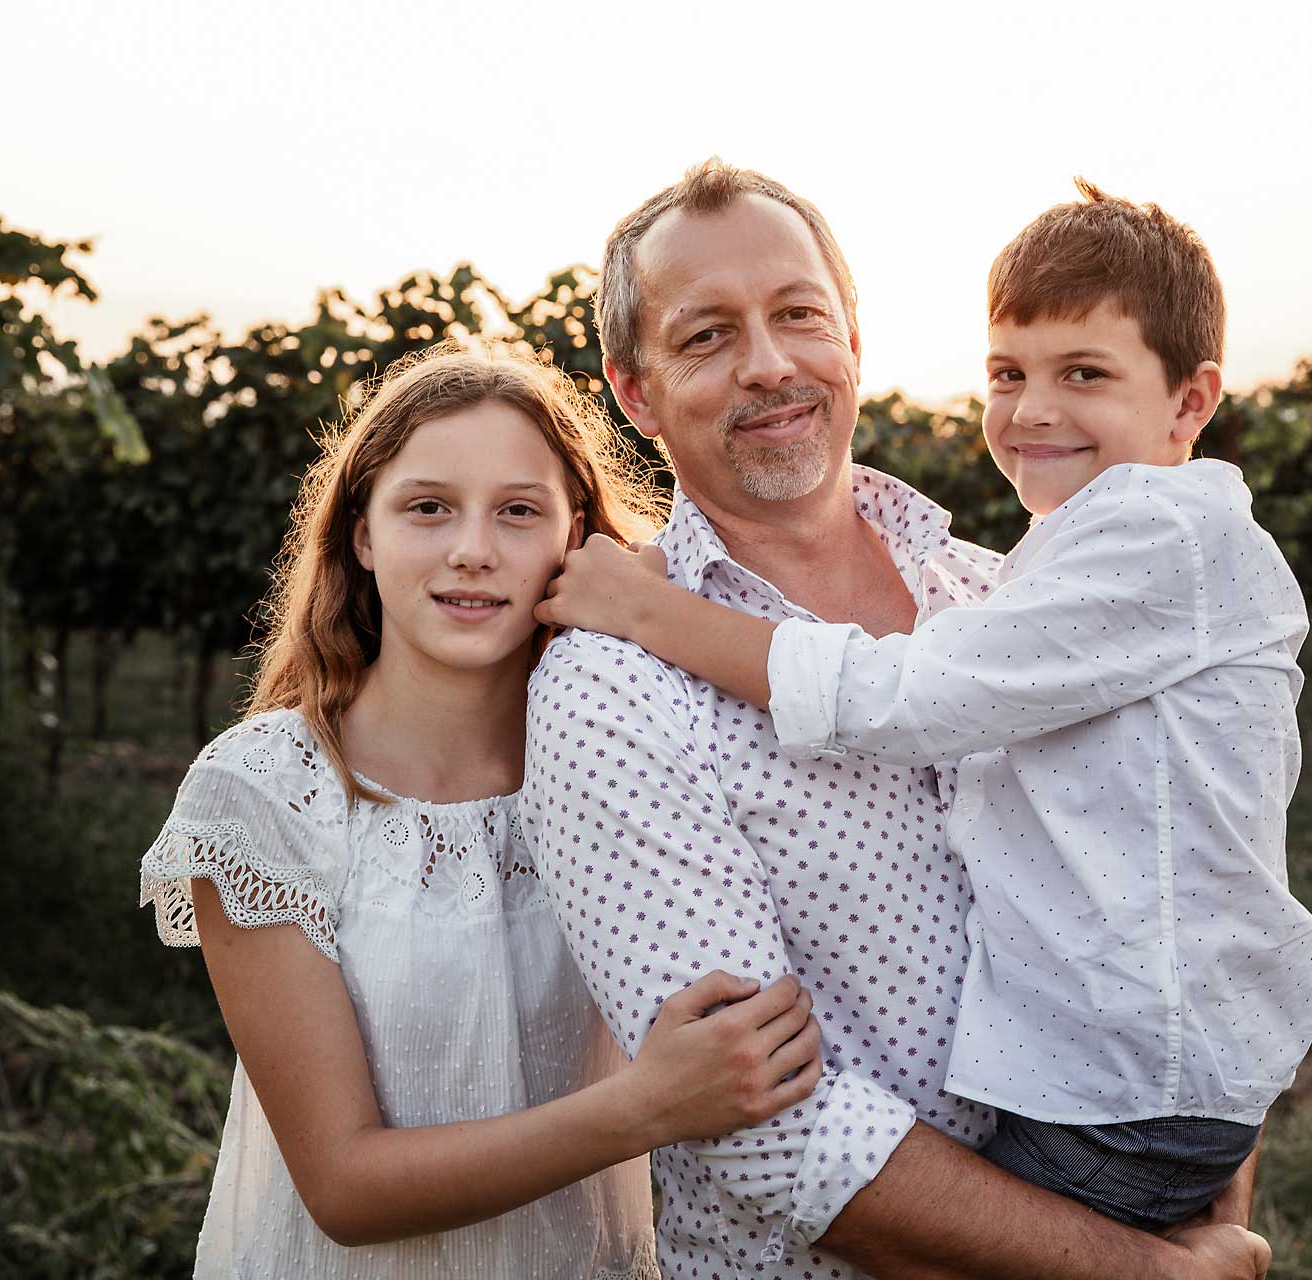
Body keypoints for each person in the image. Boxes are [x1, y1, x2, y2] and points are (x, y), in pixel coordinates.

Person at [520, 159, 1274, 1279]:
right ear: (634, 391)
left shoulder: (997, 593)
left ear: (854, 339)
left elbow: (1188, 884)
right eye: (708, 335)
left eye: (798, 315)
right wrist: (1150, 1271)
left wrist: (1203, 1204)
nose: (769, 364)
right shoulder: (613, 685)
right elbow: (770, 1134)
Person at [137, 345, 824, 1278]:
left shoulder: (626, 768)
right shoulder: (260, 793)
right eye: (428, 507)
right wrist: (648, 1108)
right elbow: (343, 1186)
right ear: (362, 534)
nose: (473, 548)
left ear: (573, 537)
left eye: (517, 511)